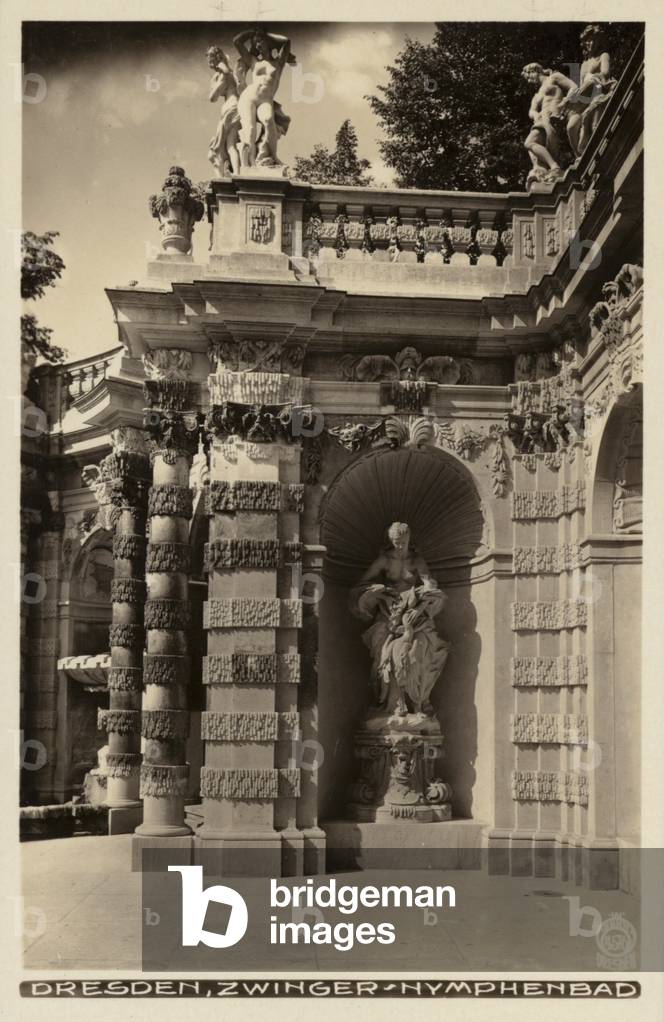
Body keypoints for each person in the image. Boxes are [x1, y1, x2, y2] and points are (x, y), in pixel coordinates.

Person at [349, 522, 450, 717]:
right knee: (383, 658)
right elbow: (362, 583)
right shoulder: (384, 560)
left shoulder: (417, 561)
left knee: (420, 654)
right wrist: (378, 591)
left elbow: (429, 583)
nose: (400, 546)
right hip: (389, 614)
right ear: (391, 541)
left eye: (403, 542)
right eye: (396, 542)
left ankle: (419, 702)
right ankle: (390, 705)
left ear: (409, 539)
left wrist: (424, 597)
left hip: (414, 614)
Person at [233, 28, 295, 168]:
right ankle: (250, 166)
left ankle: (274, 156)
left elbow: (286, 41)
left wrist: (264, 34)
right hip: (248, 98)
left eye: (260, 42)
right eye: (256, 43)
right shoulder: (253, 61)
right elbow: (236, 41)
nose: (258, 45)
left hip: (265, 100)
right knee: (249, 132)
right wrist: (253, 32)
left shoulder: (278, 63)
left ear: (269, 43)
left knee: (268, 120)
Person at [563, 25, 616, 155]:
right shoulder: (584, 65)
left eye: (593, 39)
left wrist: (593, 78)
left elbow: (605, 73)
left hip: (598, 90)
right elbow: (580, 86)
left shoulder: (603, 55)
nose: (590, 43)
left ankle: (588, 148)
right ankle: (579, 156)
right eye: (587, 41)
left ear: (599, 40)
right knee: (570, 127)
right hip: (584, 97)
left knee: (593, 86)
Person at [522, 63, 578, 185]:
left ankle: (554, 166)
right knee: (530, 144)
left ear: (536, 70)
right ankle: (553, 166)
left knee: (531, 143)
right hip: (542, 119)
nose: (529, 80)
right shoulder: (537, 95)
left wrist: (565, 102)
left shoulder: (554, 77)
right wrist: (535, 114)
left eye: (529, 75)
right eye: (527, 78)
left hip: (554, 116)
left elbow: (574, 87)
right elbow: (531, 110)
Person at [206, 46, 241, 177]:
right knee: (231, 145)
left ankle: (227, 174)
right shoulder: (230, 73)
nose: (210, 64)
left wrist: (214, 83)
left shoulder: (223, 73)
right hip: (237, 106)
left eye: (211, 60)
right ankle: (237, 174)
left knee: (218, 148)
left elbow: (212, 97)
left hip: (230, 107)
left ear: (216, 57)